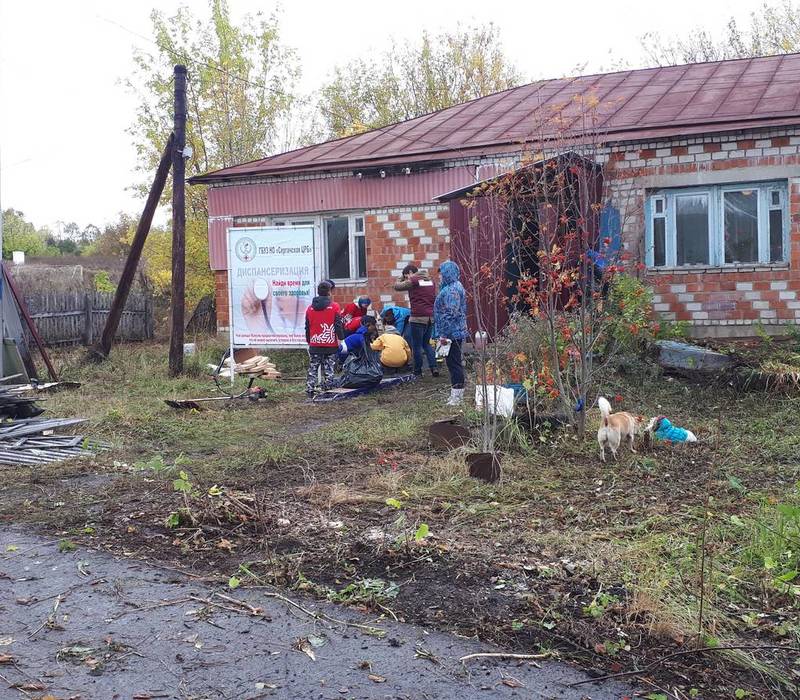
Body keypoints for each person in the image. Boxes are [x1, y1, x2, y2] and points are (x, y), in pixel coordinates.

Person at [394, 264, 438, 378]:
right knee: (426, 344)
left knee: (417, 346)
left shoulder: (414, 280)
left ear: (409, 272)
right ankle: (434, 367)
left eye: (406, 276)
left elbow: (397, 286)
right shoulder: (430, 281)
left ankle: (417, 371)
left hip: (417, 318)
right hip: (430, 317)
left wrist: (401, 278)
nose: (406, 278)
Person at [433, 260, 467, 405]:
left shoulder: (451, 290)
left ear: (447, 273)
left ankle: (457, 396)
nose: (439, 277)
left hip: (452, 333)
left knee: (454, 363)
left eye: (441, 274)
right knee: (453, 362)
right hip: (454, 331)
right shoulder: (454, 286)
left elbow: (450, 313)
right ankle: (456, 393)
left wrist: (444, 335)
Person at [304, 281, 344, 398]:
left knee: (313, 368)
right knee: (329, 368)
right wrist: (342, 339)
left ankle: (310, 390)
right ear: (329, 292)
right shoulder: (335, 306)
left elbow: (307, 326)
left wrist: (309, 341)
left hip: (315, 344)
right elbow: (338, 325)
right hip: (330, 345)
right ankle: (327, 391)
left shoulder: (309, 308)